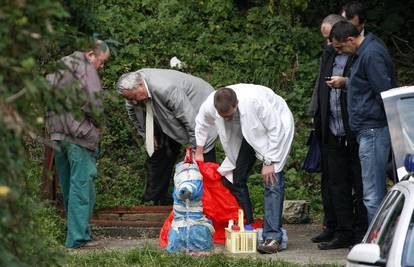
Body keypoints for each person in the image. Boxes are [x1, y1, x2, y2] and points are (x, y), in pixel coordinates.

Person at [195, 84, 294, 254]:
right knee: (234, 177)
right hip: (247, 132)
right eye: (222, 117)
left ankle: (272, 237)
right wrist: (199, 151)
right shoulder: (209, 105)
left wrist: (270, 161)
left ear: (237, 104)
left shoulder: (255, 102)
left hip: (276, 128)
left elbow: (275, 128)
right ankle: (247, 224)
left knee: (272, 180)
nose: (226, 119)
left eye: (229, 115)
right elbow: (202, 123)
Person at [116, 69, 217, 204]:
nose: (133, 102)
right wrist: (148, 135)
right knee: (160, 154)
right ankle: (153, 200)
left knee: (203, 157)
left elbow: (191, 121)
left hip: (198, 107)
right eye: (129, 99)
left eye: (133, 98)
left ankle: (210, 201)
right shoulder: (131, 91)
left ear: (141, 85)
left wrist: (196, 149)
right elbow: (133, 114)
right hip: (164, 113)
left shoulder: (166, 88)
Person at [45, 39, 110, 248]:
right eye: (101, 61)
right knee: (82, 187)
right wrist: (98, 126)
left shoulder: (57, 66)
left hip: (56, 134)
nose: (101, 66)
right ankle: (78, 239)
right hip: (79, 135)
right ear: (91, 54)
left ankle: (77, 233)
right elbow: (94, 104)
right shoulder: (85, 70)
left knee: (69, 186)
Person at [329, 21, 396, 224]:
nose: (340, 52)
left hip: (373, 130)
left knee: (372, 194)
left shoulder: (371, 54)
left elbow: (384, 92)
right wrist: (347, 82)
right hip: (367, 129)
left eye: (340, 47)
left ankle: (377, 246)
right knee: (373, 192)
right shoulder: (362, 54)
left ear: (350, 39)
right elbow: (366, 83)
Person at [312, 14, 367, 250]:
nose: (331, 46)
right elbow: (319, 90)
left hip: (356, 131)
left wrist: (345, 82)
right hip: (332, 130)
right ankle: (341, 231)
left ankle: (363, 230)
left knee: (362, 183)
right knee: (337, 184)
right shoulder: (329, 55)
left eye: (333, 41)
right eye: (328, 41)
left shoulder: (360, 56)